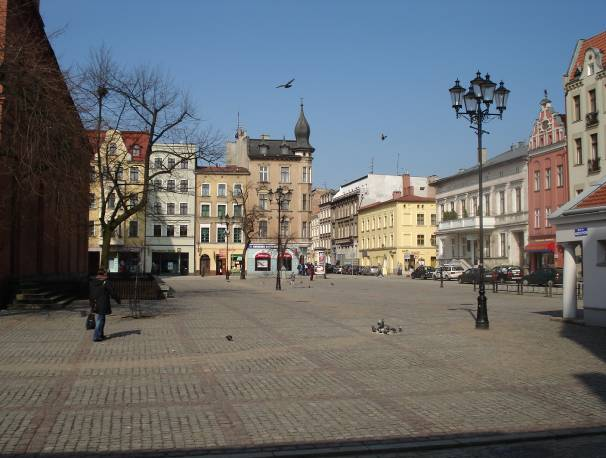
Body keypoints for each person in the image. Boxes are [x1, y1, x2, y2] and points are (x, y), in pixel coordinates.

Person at [89, 268, 120, 342]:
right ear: (104, 274)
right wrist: (118, 300)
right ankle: (96, 336)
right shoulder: (106, 282)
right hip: (102, 303)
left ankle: (100, 334)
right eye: (106, 273)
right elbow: (112, 292)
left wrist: (91, 303)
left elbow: (91, 293)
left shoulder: (93, 281)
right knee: (100, 319)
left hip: (95, 303)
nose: (107, 274)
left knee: (101, 319)